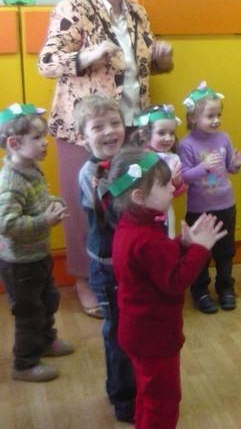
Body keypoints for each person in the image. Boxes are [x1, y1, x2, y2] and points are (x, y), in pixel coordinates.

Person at [37, 0, 173, 315]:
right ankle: (85, 281)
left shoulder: (137, 13)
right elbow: (47, 62)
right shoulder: (73, 8)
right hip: (86, 130)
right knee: (88, 206)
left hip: (131, 125)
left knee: (128, 203)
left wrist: (163, 59)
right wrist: (87, 55)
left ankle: (125, 274)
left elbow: (146, 65)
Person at [110, 147, 226, 429]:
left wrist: (183, 244)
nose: (173, 187)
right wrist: (200, 249)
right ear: (139, 197)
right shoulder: (148, 238)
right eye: (164, 185)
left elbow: (154, 267)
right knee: (162, 403)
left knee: (147, 395)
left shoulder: (131, 227)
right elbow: (175, 282)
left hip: (137, 333)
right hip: (154, 338)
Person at [0, 103, 73, 382]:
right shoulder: (11, 181)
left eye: (45, 136)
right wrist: (45, 220)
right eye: (37, 137)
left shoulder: (30, 168)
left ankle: (45, 341)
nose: (45, 143)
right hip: (20, 264)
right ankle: (25, 364)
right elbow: (7, 225)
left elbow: (38, 200)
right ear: (14, 143)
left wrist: (54, 202)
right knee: (29, 313)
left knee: (48, 300)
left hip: (38, 255)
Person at [75, 96, 134, 421]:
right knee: (117, 331)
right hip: (107, 265)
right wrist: (140, 173)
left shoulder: (125, 161)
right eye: (98, 127)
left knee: (132, 326)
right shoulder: (90, 173)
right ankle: (122, 396)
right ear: (84, 137)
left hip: (129, 259)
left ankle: (136, 383)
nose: (110, 131)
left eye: (114, 123)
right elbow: (114, 207)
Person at [177, 81, 241, 313]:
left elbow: (228, 168)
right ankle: (201, 292)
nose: (216, 120)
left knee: (225, 252)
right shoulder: (186, 144)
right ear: (193, 117)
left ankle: (226, 288)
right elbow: (184, 177)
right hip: (200, 210)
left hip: (226, 205)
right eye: (210, 116)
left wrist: (235, 164)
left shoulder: (223, 138)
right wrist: (204, 166)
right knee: (201, 253)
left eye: (218, 115)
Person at [131, 104, 185, 238]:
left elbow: (176, 193)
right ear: (144, 134)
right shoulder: (140, 158)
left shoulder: (173, 159)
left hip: (166, 213)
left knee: (166, 242)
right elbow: (133, 187)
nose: (168, 138)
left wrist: (177, 182)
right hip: (144, 215)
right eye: (161, 133)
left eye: (172, 133)